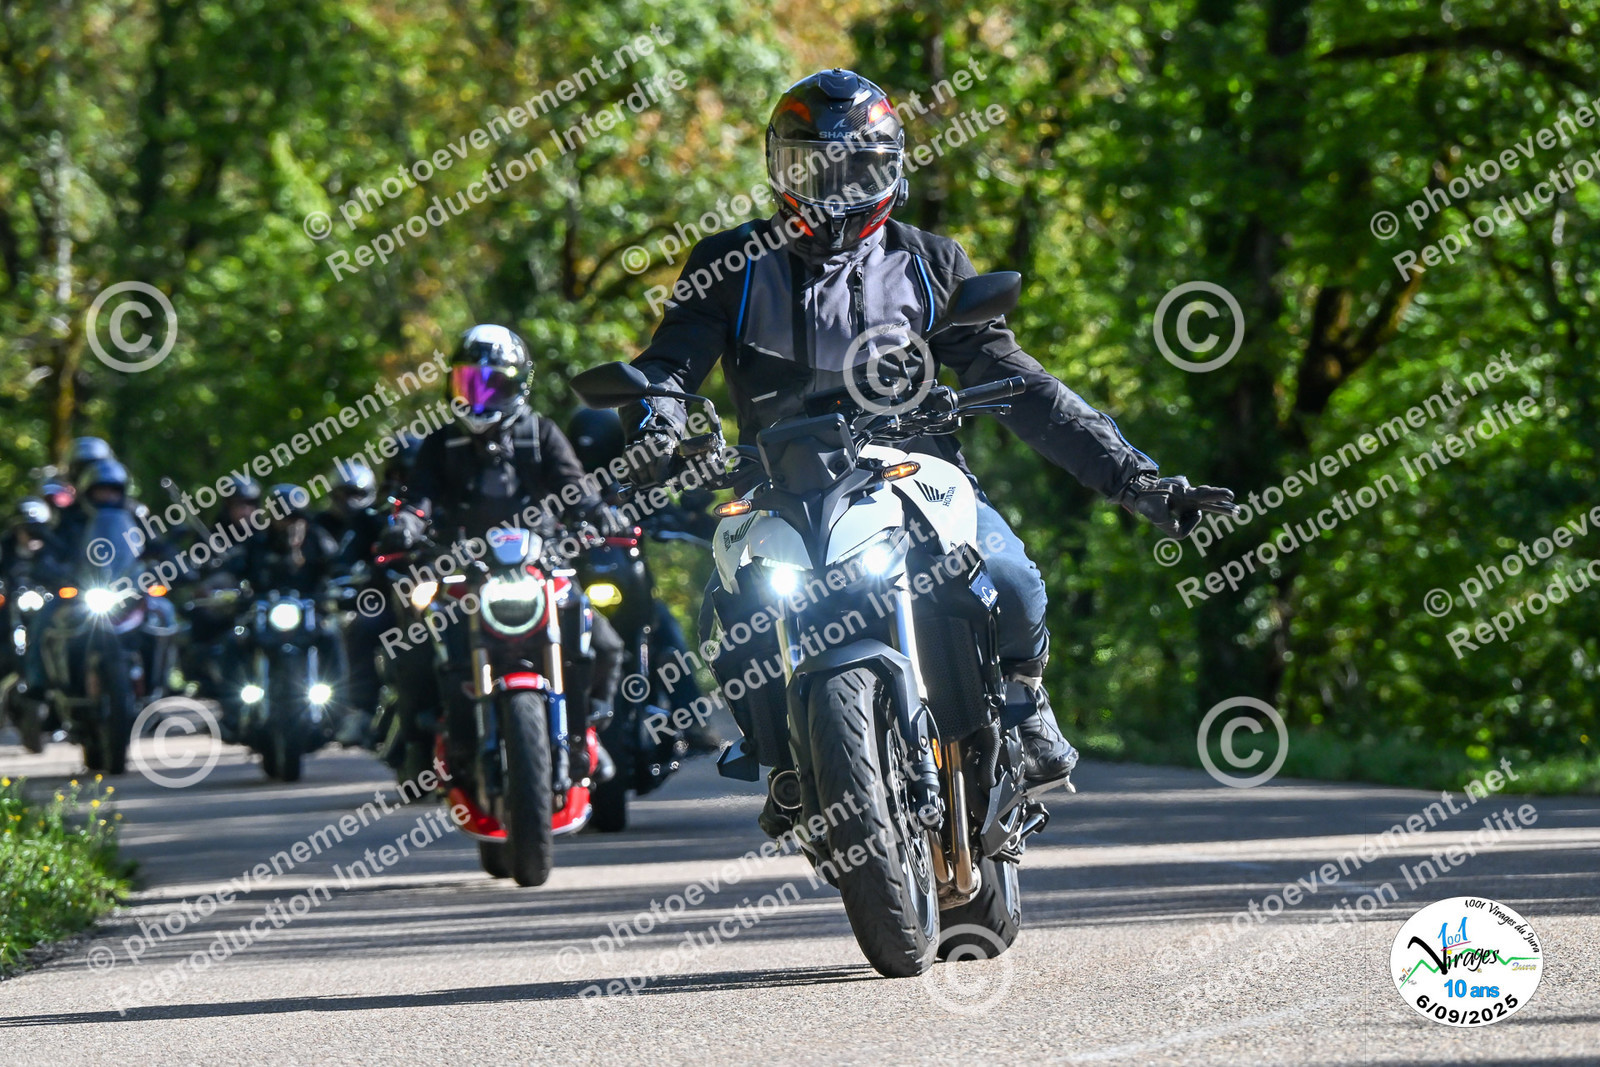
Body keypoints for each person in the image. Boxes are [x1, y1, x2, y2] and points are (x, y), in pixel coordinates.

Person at [621, 69, 1237, 797]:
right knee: (729, 607)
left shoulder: (930, 262)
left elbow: (1023, 384)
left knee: (1011, 576)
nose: (836, 189)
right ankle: (777, 753)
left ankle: (1023, 693)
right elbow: (668, 365)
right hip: (777, 480)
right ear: (778, 168)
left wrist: (1135, 479)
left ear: (892, 169)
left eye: (858, 168)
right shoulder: (730, 266)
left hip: (912, 469)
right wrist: (657, 421)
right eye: (815, 168)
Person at [391, 324, 627, 785]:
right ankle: (419, 747)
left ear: (519, 384)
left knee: (604, 644)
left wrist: (599, 514)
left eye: (492, 384)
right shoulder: (441, 443)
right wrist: (406, 525)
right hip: (465, 571)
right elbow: (420, 499)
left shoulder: (540, 433)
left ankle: (586, 733)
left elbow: (575, 486)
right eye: (468, 383)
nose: (479, 397)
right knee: (415, 644)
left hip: (540, 564)